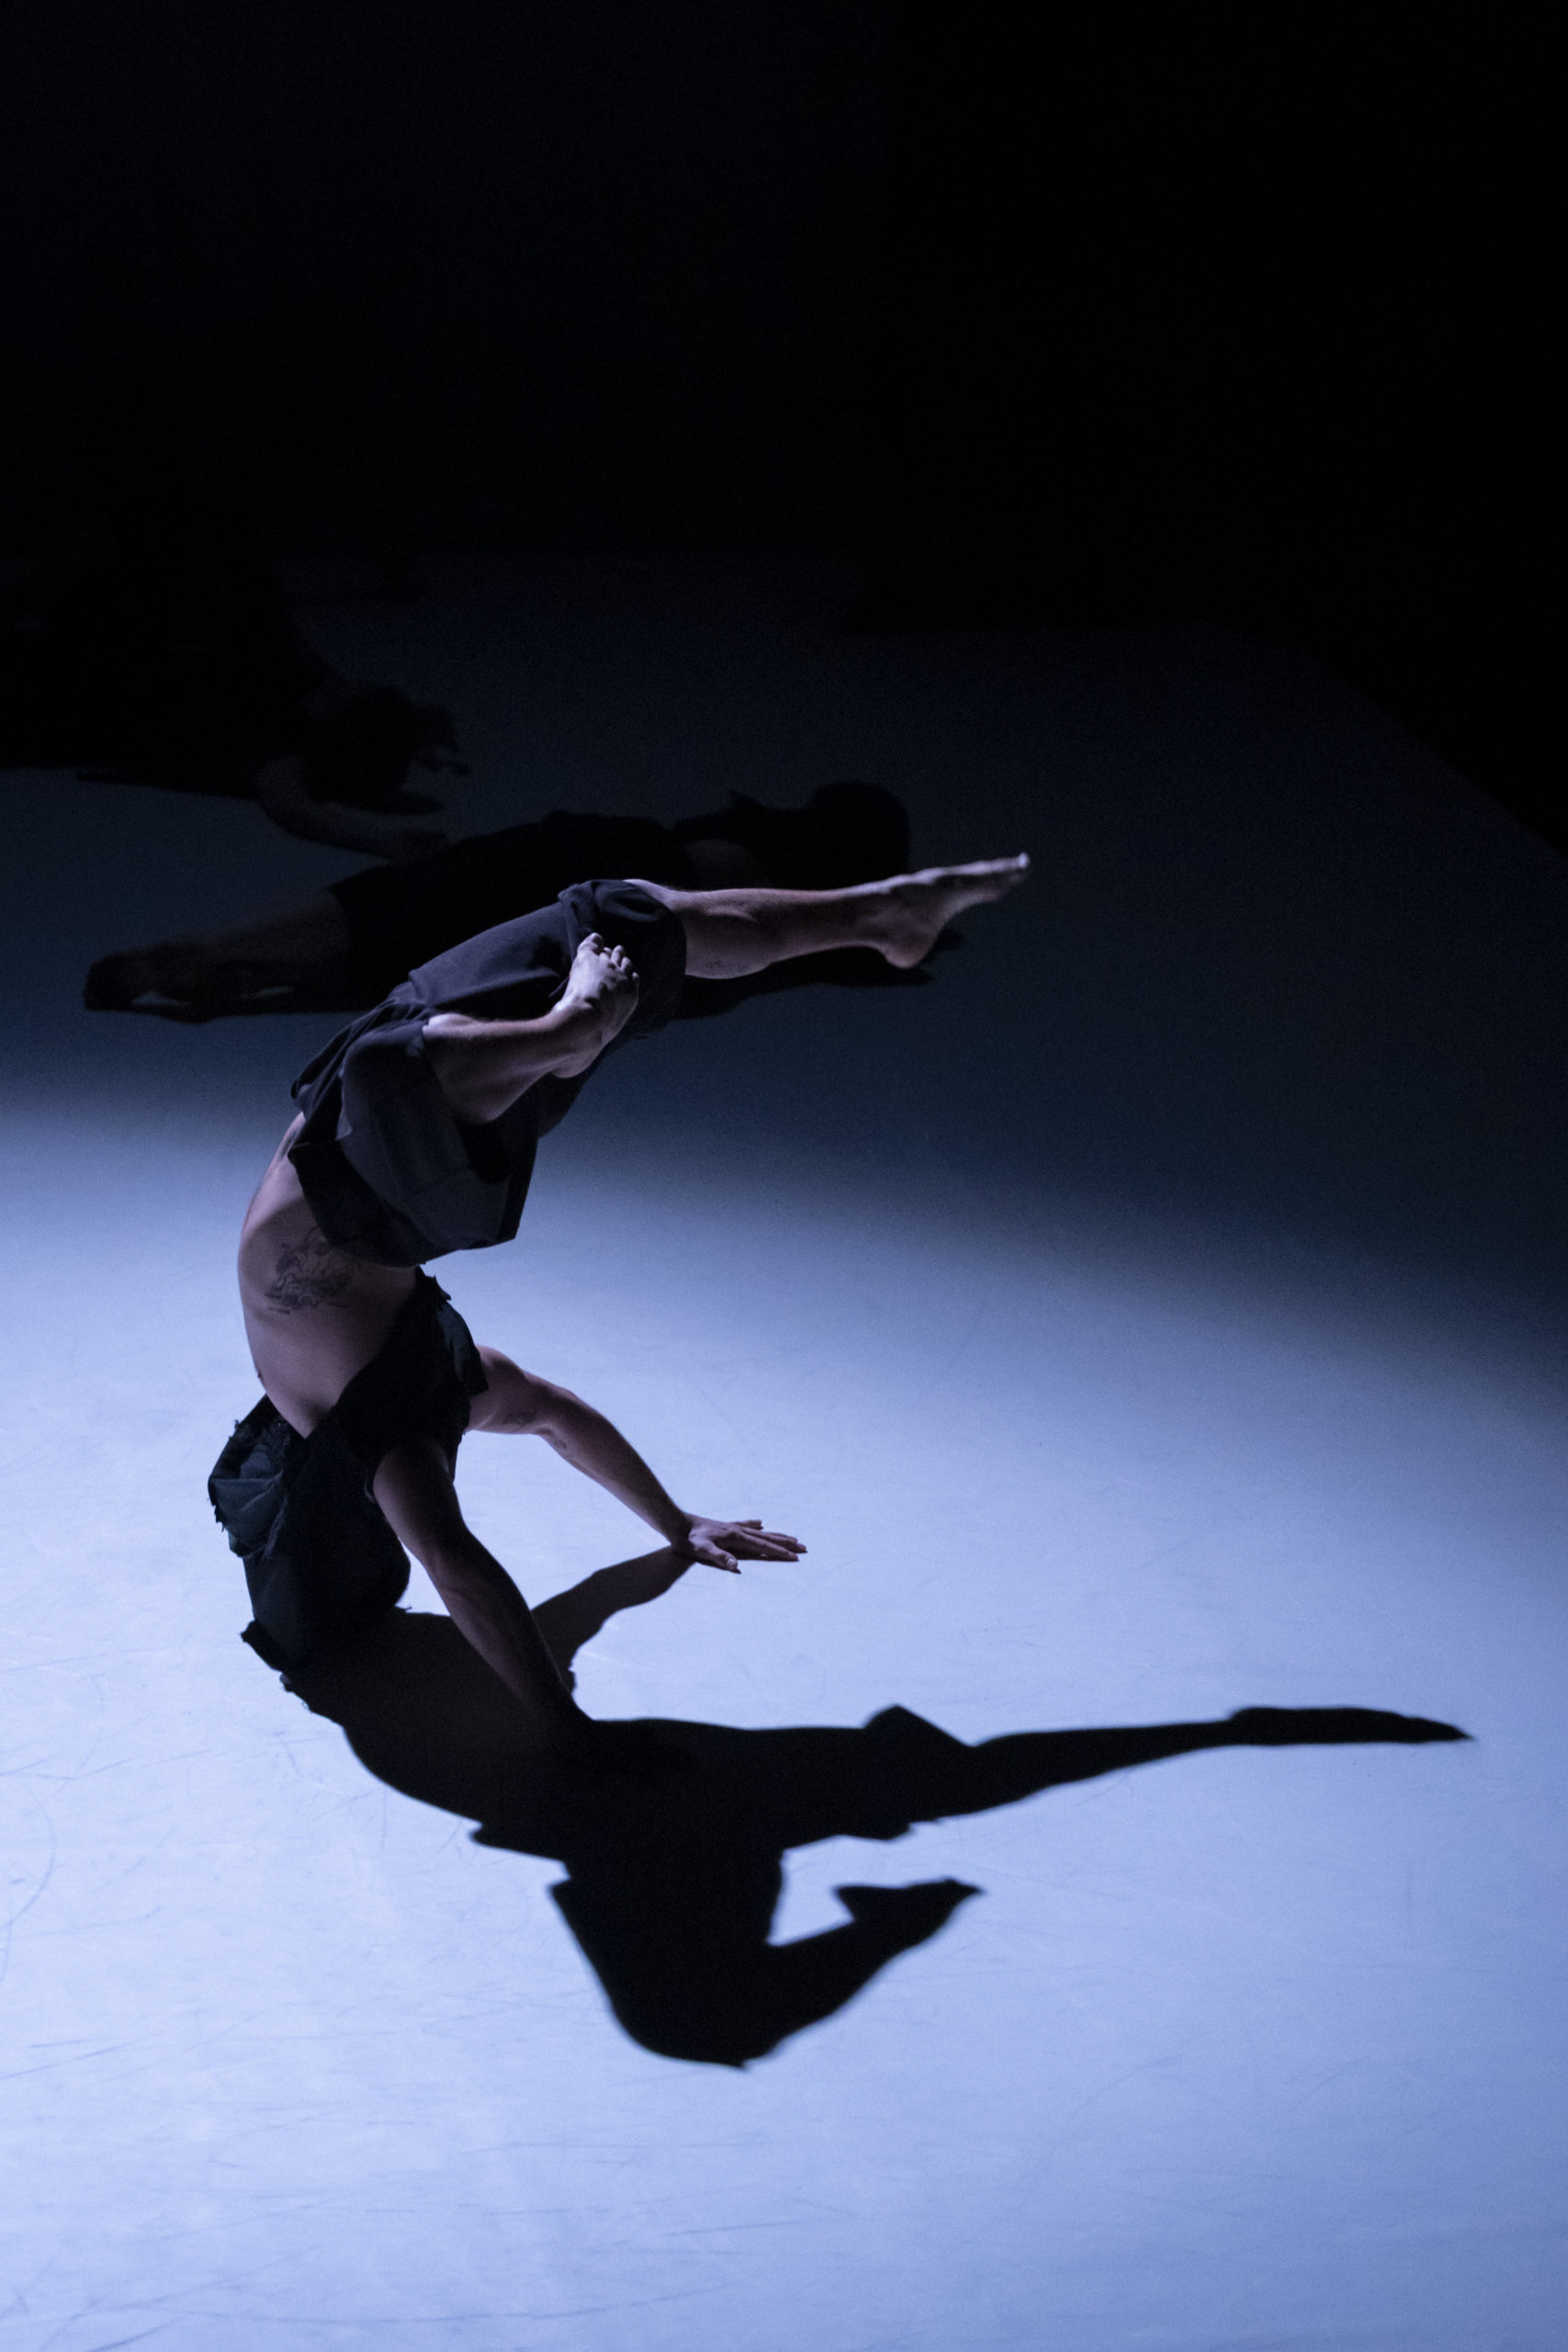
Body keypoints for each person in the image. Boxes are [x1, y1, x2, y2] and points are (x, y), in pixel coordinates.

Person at [214, 854, 1030, 1766]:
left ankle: (871, 914)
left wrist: (574, 1703)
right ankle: (576, 1027)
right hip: (369, 1122)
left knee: (624, 919)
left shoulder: (379, 1429)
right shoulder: (392, 1409)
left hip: (385, 1144)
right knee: (432, 1045)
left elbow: (461, 1551)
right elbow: (525, 1463)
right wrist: (670, 1532)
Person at [83, 779, 931, 1023]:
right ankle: (264, 984)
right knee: (436, 962)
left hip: (580, 841)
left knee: (398, 899)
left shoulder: (745, 825)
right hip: (609, 900)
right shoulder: (800, 891)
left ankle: (223, 948)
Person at [2, 507, 462, 859]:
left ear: (339, 727)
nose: (344, 682)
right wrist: (409, 739)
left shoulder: (276, 742)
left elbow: (295, 810)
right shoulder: (300, 688)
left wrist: (384, 842)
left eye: (351, 694)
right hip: (83, 674)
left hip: (63, 704)